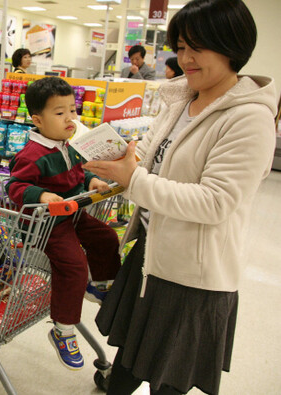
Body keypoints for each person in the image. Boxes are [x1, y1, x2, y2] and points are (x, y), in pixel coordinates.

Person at [84, 0, 276, 393]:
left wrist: (133, 179)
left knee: (170, 376)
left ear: (231, 45)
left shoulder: (249, 118)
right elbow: (150, 161)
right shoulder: (182, 100)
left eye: (196, 48)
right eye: (180, 47)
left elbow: (215, 202)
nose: (185, 59)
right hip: (152, 254)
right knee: (130, 361)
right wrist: (117, 176)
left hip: (193, 275)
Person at [5, 77, 122, 371]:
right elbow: (15, 187)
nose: (70, 118)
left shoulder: (67, 145)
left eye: (73, 110)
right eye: (60, 113)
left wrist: (91, 180)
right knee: (73, 266)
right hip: (48, 225)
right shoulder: (32, 154)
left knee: (106, 237)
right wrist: (42, 194)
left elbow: (77, 174)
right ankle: (63, 328)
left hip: (73, 213)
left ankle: (98, 285)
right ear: (37, 119)